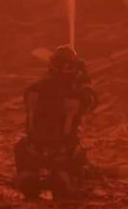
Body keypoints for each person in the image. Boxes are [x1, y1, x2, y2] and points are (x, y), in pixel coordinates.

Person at [14, 45, 96, 200]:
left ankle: (28, 176)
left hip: (33, 149)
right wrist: (84, 78)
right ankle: (64, 178)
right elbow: (92, 101)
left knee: (20, 147)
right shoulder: (78, 94)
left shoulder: (33, 89)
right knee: (80, 154)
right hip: (62, 152)